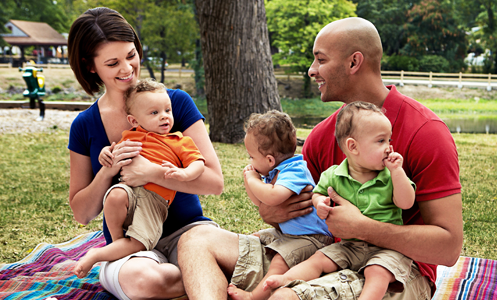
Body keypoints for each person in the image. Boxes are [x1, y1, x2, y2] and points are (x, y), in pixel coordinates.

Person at [177, 17, 462, 300]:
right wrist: (272, 212)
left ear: (354, 63)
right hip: (322, 253)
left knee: (285, 298)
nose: (312, 70)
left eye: (320, 60)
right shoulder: (321, 136)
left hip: (391, 269)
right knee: (195, 240)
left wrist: (364, 228)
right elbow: (299, 211)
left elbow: (448, 249)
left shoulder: (425, 132)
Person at [67, 7, 223, 300]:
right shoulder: (85, 125)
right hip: (130, 249)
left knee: (219, 258)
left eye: (131, 55)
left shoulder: (173, 103)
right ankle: (205, 277)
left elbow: (214, 183)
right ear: (91, 67)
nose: (127, 69)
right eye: (112, 63)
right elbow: (82, 212)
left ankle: (201, 272)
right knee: (144, 281)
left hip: (188, 233)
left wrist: (152, 173)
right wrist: (109, 170)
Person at [264, 102, 415, 300]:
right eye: (381, 141)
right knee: (319, 259)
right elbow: (316, 194)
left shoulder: (390, 176)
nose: (389, 148)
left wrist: (397, 172)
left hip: (386, 248)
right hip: (349, 246)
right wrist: (320, 204)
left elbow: (406, 203)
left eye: (389, 140)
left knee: (378, 272)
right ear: (353, 146)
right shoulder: (334, 175)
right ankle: (287, 278)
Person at [73, 79, 206, 278]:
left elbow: (198, 163)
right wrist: (105, 155)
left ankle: (98, 254)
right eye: (155, 113)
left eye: (168, 111)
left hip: (154, 200)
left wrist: (184, 174)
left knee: (138, 243)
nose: (164, 117)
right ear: (134, 121)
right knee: (115, 195)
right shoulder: (130, 136)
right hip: (129, 191)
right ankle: (117, 241)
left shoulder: (178, 141)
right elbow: (112, 153)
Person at [227, 110, 333, 300]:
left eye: (251, 157)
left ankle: (254, 297)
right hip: (289, 233)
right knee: (253, 238)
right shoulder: (275, 170)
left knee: (280, 260)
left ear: (269, 159)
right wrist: (249, 180)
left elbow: (273, 197)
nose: (250, 161)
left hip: (313, 238)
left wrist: (253, 180)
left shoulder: (295, 170)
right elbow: (260, 203)